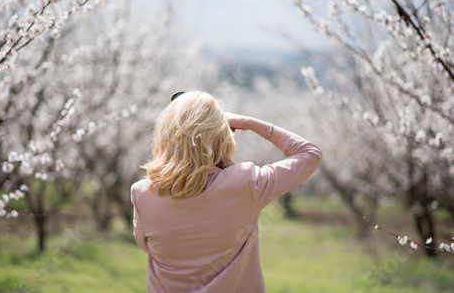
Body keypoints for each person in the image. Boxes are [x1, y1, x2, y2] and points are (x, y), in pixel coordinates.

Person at [130, 90, 322, 293]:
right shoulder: (245, 183)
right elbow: (309, 153)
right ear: (221, 136)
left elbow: (148, 246)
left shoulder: (142, 193)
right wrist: (249, 123)